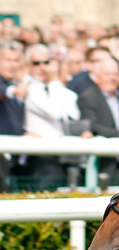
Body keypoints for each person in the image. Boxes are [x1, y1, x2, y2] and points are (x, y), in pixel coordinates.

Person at [21, 43, 81, 188]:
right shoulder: (28, 88)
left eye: (46, 62)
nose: (43, 67)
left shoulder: (58, 88)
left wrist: (55, 82)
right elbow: (56, 112)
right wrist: (54, 80)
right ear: (28, 65)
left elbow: (73, 115)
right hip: (40, 156)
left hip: (65, 154)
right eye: (36, 63)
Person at [78, 56, 119, 179]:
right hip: (103, 164)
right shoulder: (88, 96)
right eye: (107, 74)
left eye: (115, 74)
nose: (112, 78)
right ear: (96, 77)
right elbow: (92, 125)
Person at [0, 40, 26, 191]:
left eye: (16, 60)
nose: (12, 65)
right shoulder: (12, 88)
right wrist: (13, 91)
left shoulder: (15, 83)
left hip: (12, 158)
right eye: (8, 60)